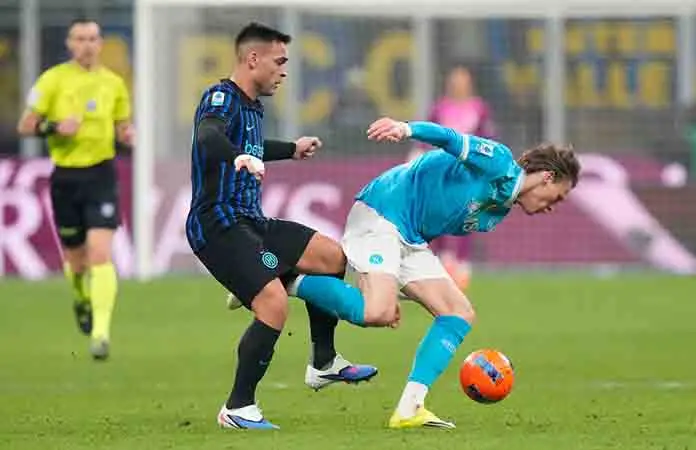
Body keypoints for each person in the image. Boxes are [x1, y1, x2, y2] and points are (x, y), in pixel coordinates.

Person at [288, 117, 580, 428]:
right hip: (383, 210)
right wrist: (406, 129)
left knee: (459, 312)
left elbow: (434, 217)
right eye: (559, 196)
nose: (553, 206)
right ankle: (286, 280)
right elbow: (450, 138)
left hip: (411, 238)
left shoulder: (497, 212)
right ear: (547, 177)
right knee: (378, 311)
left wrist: (392, 283)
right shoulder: (499, 162)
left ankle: (410, 408)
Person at [186, 22, 376, 430]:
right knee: (273, 304)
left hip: (251, 221)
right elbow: (207, 137)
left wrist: (290, 149)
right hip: (216, 223)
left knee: (331, 256)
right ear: (253, 59)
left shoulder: (253, 106)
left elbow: (251, 146)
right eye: (279, 61)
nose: (284, 71)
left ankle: (323, 362)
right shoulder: (221, 97)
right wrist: (236, 157)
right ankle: (238, 408)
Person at [17, 18, 134, 361]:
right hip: (66, 178)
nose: (87, 45)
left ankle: (101, 333)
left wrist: (127, 134)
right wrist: (54, 127)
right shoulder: (52, 80)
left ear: (100, 43)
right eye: (80, 38)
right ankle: (81, 298)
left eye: (93, 38)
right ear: (69, 43)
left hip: (101, 175)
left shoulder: (114, 83)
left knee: (100, 253)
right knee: (76, 260)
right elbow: (26, 125)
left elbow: (122, 125)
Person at [409, 64, 496, 290]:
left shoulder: (479, 108)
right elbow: (427, 134)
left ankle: (463, 263)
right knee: (438, 212)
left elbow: (487, 137)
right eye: (455, 80)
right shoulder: (440, 107)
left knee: (467, 212)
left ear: (469, 84)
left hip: (468, 170)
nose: (458, 85)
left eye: (462, 81)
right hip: (442, 170)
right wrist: (417, 154)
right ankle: (444, 258)